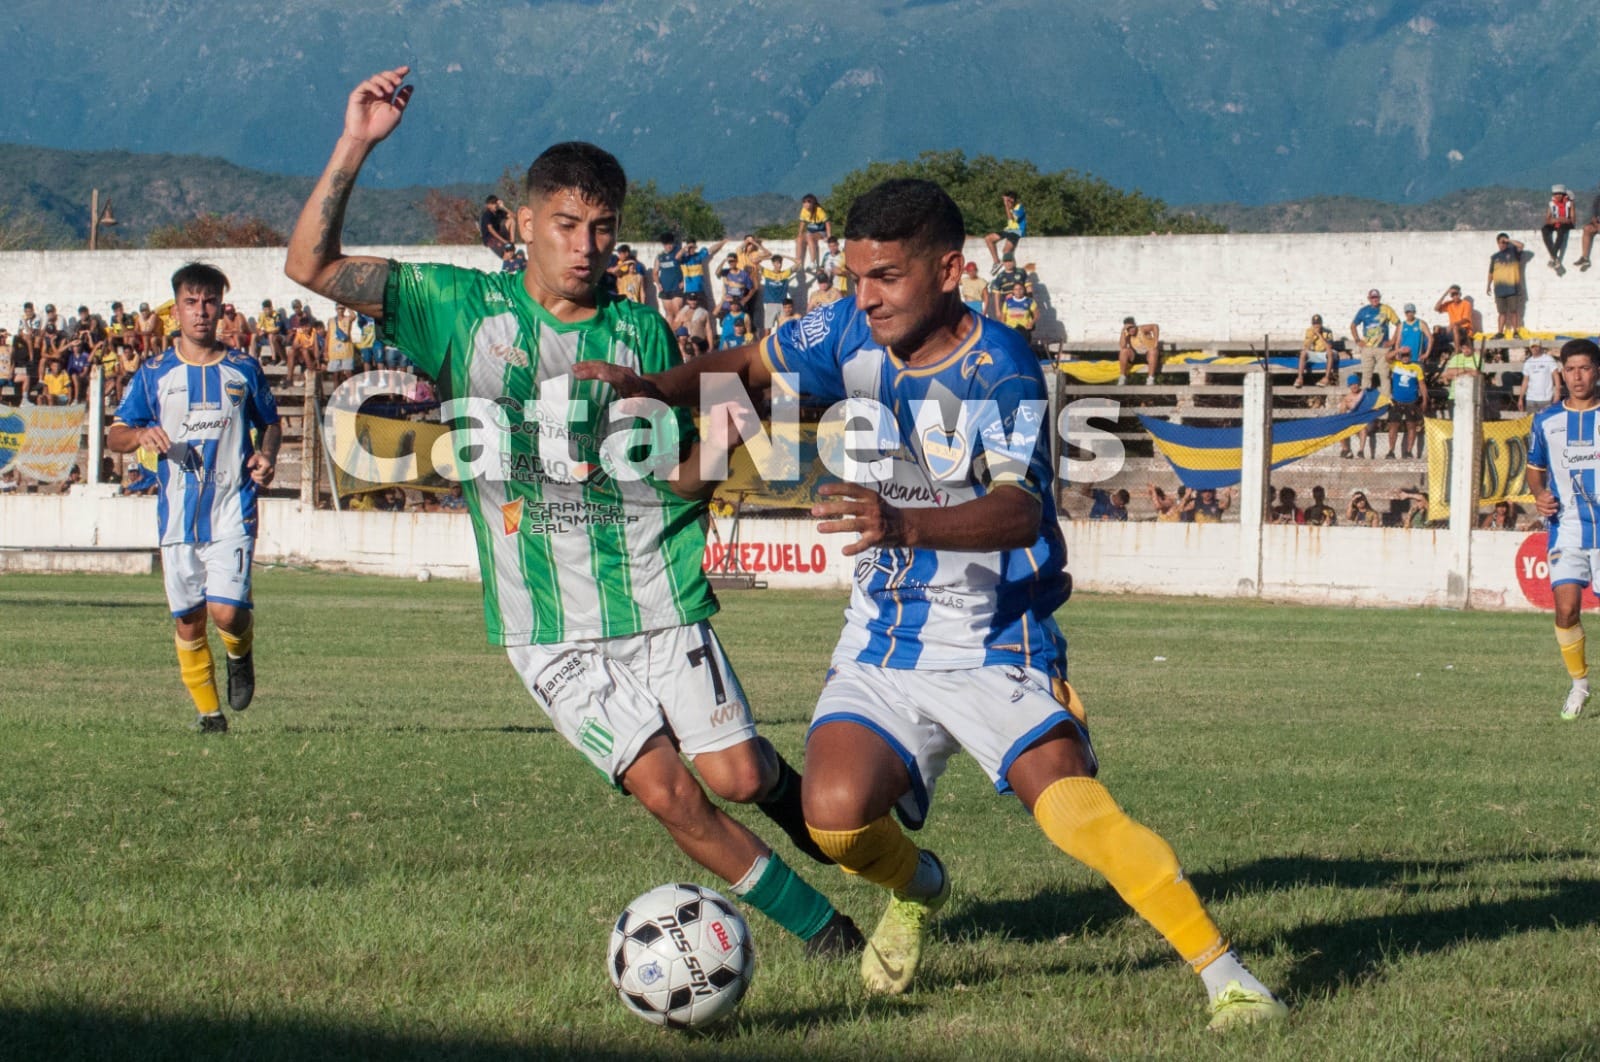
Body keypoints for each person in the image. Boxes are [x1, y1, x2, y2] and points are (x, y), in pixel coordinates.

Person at [574, 176, 1286, 1030]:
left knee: (1069, 811)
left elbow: (1023, 507)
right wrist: (657, 385)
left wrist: (904, 520)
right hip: (882, 639)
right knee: (831, 819)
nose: (864, 297)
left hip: (995, 637)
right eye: (855, 276)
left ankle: (1228, 977)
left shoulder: (1005, 369)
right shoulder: (845, 326)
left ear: (951, 270)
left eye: (886, 278)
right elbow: (750, 366)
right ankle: (920, 887)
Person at [283, 66, 862, 957]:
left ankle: (841, 831)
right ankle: (836, 941)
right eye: (566, 225)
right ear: (523, 226)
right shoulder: (453, 306)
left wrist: (725, 439)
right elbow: (309, 265)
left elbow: (674, 477)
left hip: (655, 595)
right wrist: (357, 140)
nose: (587, 245)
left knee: (740, 777)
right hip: (544, 627)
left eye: (603, 229)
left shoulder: (640, 334)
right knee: (672, 794)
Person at [106, 262, 281, 734]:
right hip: (178, 520)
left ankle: (240, 653)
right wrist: (140, 434)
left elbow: (270, 423)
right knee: (188, 622)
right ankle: (210, 716)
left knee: (225, 610)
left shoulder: (243, 368)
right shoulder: (155, 373)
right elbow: (115, 435)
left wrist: (266, 457)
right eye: (191, 302)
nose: (201, 312)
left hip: (233, 507)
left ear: (222, 309)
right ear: (176, 310)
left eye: (209, 303)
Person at [1526, 338, 1600, 719]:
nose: (1577, 376)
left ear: (1597, 371)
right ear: (1562, 373)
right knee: (1566, 609)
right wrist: (1539, 495)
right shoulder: (1547, 421)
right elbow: (1535, 470)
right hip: (1567, 527)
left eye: (1585, 368)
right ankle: (1579, 685)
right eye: (1570, 369)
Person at [1350, 289, 1399, 402]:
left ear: (1379, 297)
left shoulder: (1386, 309)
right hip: (1367, 348)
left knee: (1385, 376)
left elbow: (1398, 324)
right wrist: (1357, 340)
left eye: (1376, 297)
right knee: (1366, 376)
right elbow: (1353, 325)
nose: (1375, 299)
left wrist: (1392, 341)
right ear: (1369, 298)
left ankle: (1386, 401)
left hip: (1383, 348)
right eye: (1372, 297)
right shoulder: (1363, 310)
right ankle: (1366, 401)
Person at [1385, 346, 1428, 459]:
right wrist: (1398, 350)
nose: (1405, 357)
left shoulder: (1417, 367)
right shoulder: (1395, 365)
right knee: (1393, 426)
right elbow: (1387, 357)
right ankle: (1391, 451)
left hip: (1411, 402)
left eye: (1407, 355)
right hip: (1397, 401)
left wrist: (1425, 399)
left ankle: (1408, 451)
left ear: (1410, 355)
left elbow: (1422, 385)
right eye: (1403, 355)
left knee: (1411, 426)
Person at [1486, 233, 1528, 338]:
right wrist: (1488, 285)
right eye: (1501, 242)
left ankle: (1516, 331)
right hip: (1499, 289)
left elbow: (1521, 246)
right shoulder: (1494, 257)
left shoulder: (1513, 252)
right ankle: (1500, 332)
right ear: (1497, 243)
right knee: (1501, 312)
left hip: (1512, 288)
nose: (1503, 244)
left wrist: (1508, 240)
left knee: (1514, 311)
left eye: (1504, 242)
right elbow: (1491, 273)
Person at [984, 190, 1026, 269]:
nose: (1008, 203)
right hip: (1009, 230)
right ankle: (996, 262)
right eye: (1007, 200)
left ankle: (1013, 271)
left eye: (1010, 200)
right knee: (988, 239)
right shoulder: (1010, 208)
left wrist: (1006, 205)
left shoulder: (1019, 207)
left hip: (1017, 231)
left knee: (1006, 251)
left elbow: (1011, 218)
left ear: (1014, 200)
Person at [1294, 313, 1338, 387]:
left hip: (1325, 354)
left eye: (1318, 324)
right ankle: (1300, 378)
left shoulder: (1327, 331)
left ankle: (1326, 378)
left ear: (1321, 323)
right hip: (1314, 354)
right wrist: (1313, 337)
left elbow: (1329, 347)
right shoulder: (1309, 331)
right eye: (1314, 324)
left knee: (1330, 352)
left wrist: (1319, 335)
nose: (1316, 326)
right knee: (1303, 353)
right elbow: (1306, 347)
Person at [1117, 316, 1162, 385]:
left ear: (1135, 325)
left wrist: (1156, 342)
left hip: (1149, 355)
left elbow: (1155, 326)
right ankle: (1123, 377)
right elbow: (1122, 346)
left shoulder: (1142, 329)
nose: (1131, 330)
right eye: (1129, 328)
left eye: (1132, 327)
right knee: (1124, 351)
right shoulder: (1126, 334)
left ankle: (1150, 379)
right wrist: (1123, 331)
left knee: (1153, 351)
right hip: (1136, 356)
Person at [758, 254, 795, 337]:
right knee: (767, 330)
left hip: (782, 304)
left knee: (781, 329)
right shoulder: (767, 272)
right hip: (770, 303)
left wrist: (786, 257)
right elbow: (754, 261)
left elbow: (798, 263)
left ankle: (778, 347)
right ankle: (765, 347)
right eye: (776, 263)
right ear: (773, 264)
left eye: (780, 263)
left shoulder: (785, 273)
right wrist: (768, 257)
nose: (778, 265)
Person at [1520, 341, 1562, 414]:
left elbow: (1556, 376)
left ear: (1540, 347)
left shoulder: (1549, 359)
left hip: (1546, 399)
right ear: (1530, 348)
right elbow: (1525, 380)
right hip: (1530, 399)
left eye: (1537, 346)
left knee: (1546, 422)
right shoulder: (1528, 362)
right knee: (1531, 422)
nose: (1535, 349)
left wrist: (1557, 393)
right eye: (1533, 347)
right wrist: (1520, 398)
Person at [1543, 184, 1577, 274]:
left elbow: (1573, 219)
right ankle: (1555, 258)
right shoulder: (1552, 204)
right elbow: (1547, 220)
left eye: (1560, 194)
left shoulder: (1569, 203)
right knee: (1545, 230)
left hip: (1566, 224)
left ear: (1563, 195)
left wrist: (1566, 220)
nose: (1558, 196)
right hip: (1555, 222)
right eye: (1556, 194)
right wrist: (1557, 219)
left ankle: (1552, 257)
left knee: (1561, 231)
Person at [795, 194, 830, 272]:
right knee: (799, 239)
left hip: (821, 232)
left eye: (808, 202)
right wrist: (799, 233)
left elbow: (827, 223)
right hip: (810, 232)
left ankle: (813, 262)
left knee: (809, 236)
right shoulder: (804, 210)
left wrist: (829, 236)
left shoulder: (819, 210)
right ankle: (798, 262)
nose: (806, 204)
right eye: (804, 202)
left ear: (813, 203)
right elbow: (802, 222)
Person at [1001, 280, 1037, 346]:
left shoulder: (1029, 301)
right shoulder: (1008, 302)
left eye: (1020, 289)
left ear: (1024, 290)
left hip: (1024, 329)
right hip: (1011, 329)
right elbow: (1003, 316)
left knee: (1024, 347)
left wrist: (1031, 323)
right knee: (1012, 347)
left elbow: (1036, 314)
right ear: (1013, 291)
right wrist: (1004, 328)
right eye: (1016, 289)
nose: (1018, 291)